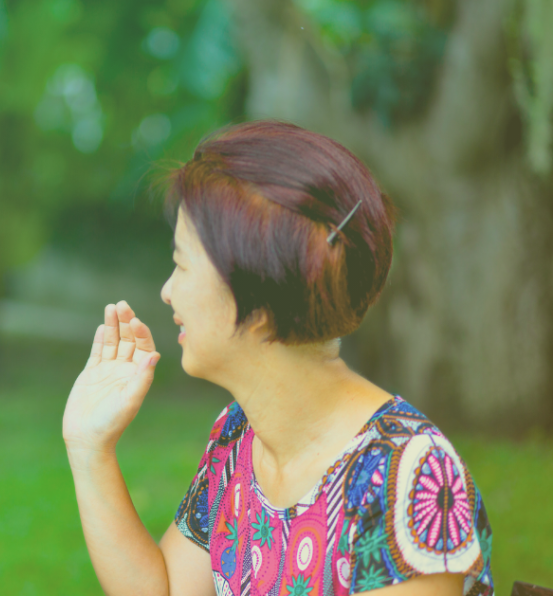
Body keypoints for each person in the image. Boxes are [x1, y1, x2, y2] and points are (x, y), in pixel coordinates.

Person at [62, 121, 493, 596]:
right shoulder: (238, 438)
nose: (167, 292)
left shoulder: (404, 479)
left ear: (259, 299)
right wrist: (89, 449)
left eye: (182, 264)